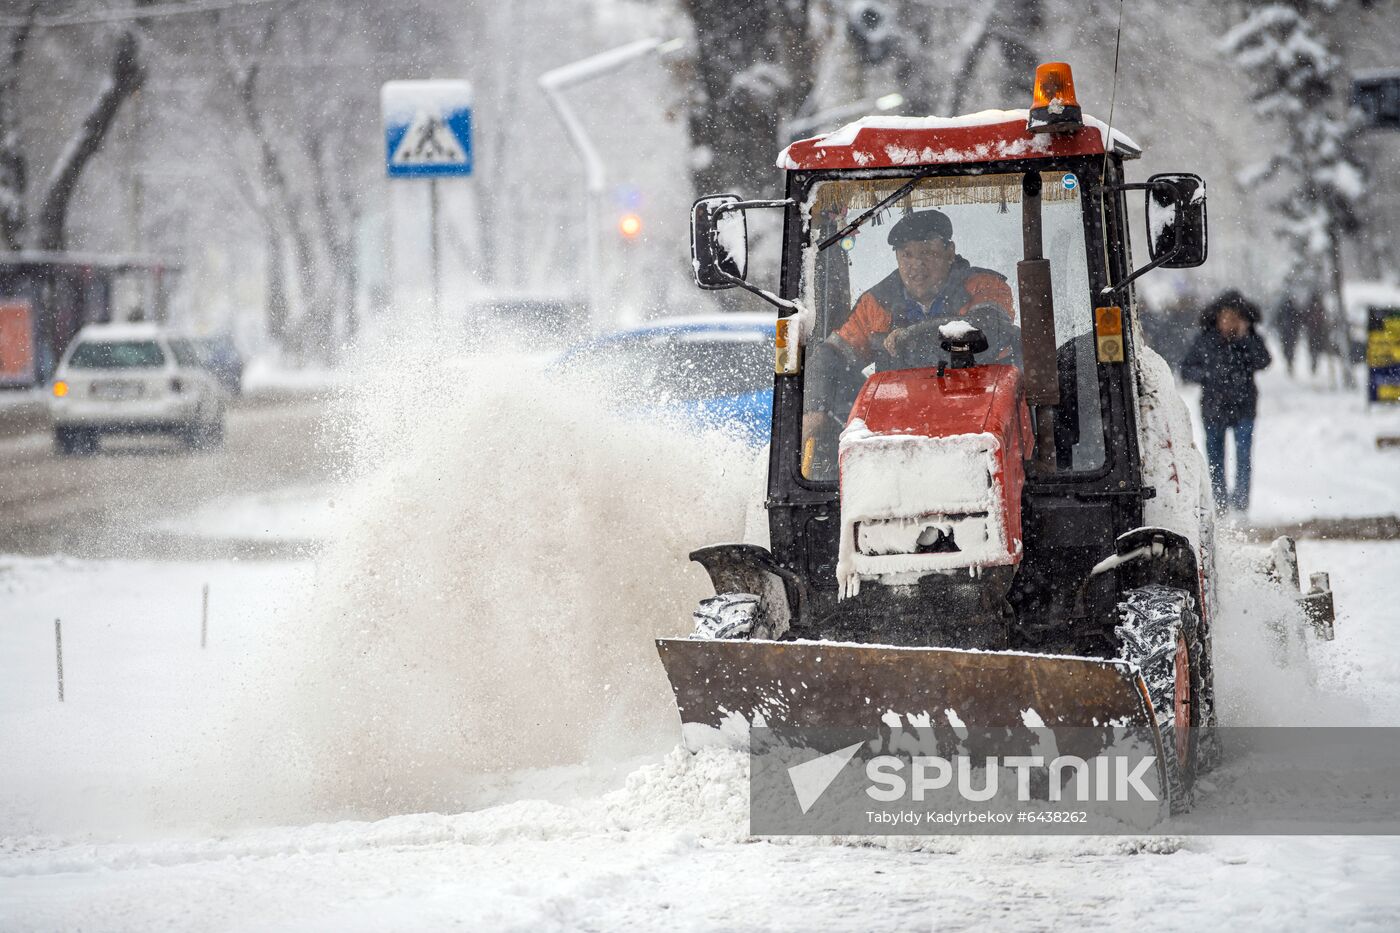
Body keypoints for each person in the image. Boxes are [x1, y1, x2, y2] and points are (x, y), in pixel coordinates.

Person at [804, 210, 1018, 455]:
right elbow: (834, 353)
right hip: (898, 428)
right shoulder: (877, 303)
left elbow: (985, 332)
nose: (916, 265)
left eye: (927, 253)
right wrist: (816, 405)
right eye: (907, 254)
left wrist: (910, 336)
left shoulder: (984, 286)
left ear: (950, 252)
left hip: (982, 420)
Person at [1181, 290, 1272, 514]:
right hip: (1213, 409)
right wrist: (1209, 375)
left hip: (1244, 408)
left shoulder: (1250, 338)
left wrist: (1246, 338)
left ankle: (1241, 507)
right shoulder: (1205, 340)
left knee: (1243, 459)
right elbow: (1186, 371)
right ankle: (1220, 506)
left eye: (1234, 318)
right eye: (1225, 317)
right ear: (1217, 318)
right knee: (1215, 461)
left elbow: (1264, 360)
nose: (1229, 322)